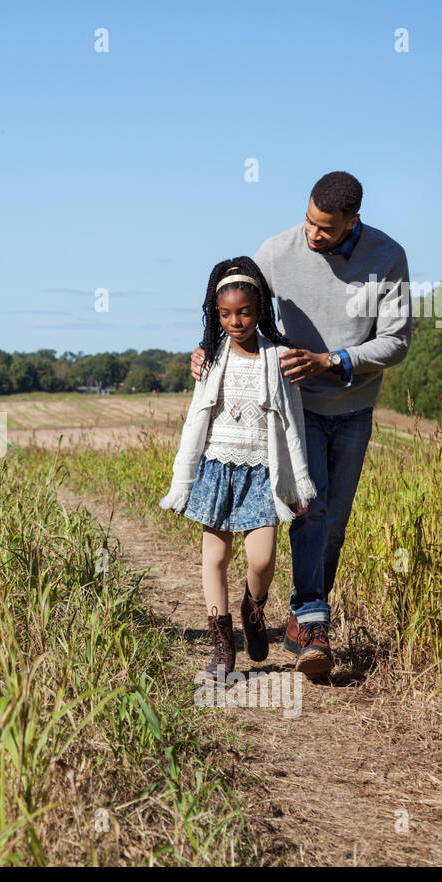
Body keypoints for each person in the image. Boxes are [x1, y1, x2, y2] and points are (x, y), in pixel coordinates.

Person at [189, 171, 411, 676]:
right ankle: (313, 620)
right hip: (293, 406)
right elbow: (237, 306)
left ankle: (298, 620)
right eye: (309, 222)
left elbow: (396, 339)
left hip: (353, 407)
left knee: (334, 521)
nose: (313, 235)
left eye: (326, 229)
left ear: (353, 220)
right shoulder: (275, 252)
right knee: (310, 509)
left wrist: (332, 360)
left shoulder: (387, 257)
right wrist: (206, 349)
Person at [162, 257, 317, 679]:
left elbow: (292, 424)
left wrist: (299, 484)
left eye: (245, 312)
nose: (236, 321)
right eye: (226, 314)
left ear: (260, 309)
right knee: (215, 556)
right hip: (217, 468)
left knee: (262, 558)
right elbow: (196, 421)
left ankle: (254, 606)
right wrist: (184, 483)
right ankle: (222, 645)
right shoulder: (210, 358)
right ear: (217, 314)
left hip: (262, 473)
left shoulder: (279, 358)